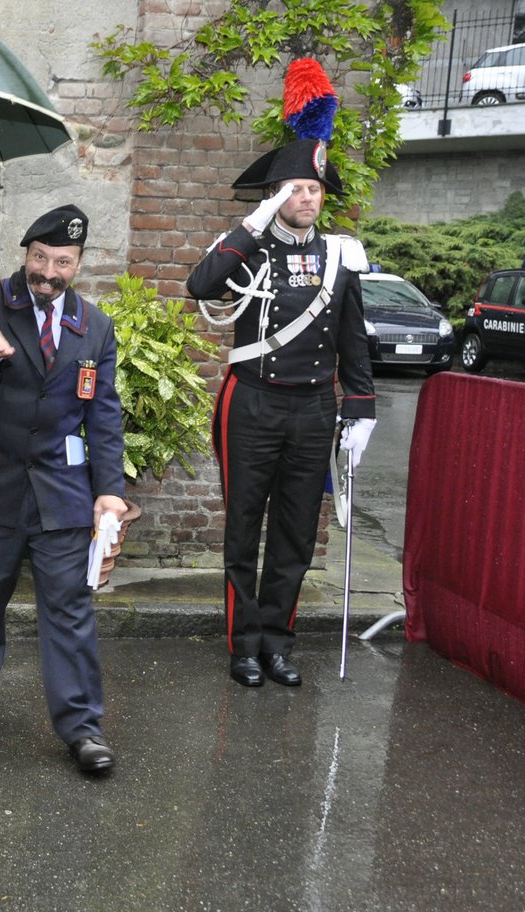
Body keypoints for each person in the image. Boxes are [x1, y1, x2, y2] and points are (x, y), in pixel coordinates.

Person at [185, 70, 376, 689]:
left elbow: (353, 338)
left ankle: (277, 642)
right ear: (274, 194)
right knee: (244, 527)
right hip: (254, 403)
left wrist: (363, 408)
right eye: (296, 187)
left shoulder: (341, 255)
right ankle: (242, 645)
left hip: (315, 407)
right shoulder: (249, 248)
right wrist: (254, 223)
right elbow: (200, 285)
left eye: (315, 187)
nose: (309, 197)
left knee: (295, 532)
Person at [0, 205, 127, 774]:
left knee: (69, 610)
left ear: (77, 264)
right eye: (40, 258)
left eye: (62, 262)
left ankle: (81, 726)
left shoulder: (94, 327)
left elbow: (103, 414)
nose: (48, 271)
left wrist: (110, 491)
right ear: (25, 254)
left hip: (61, 492)